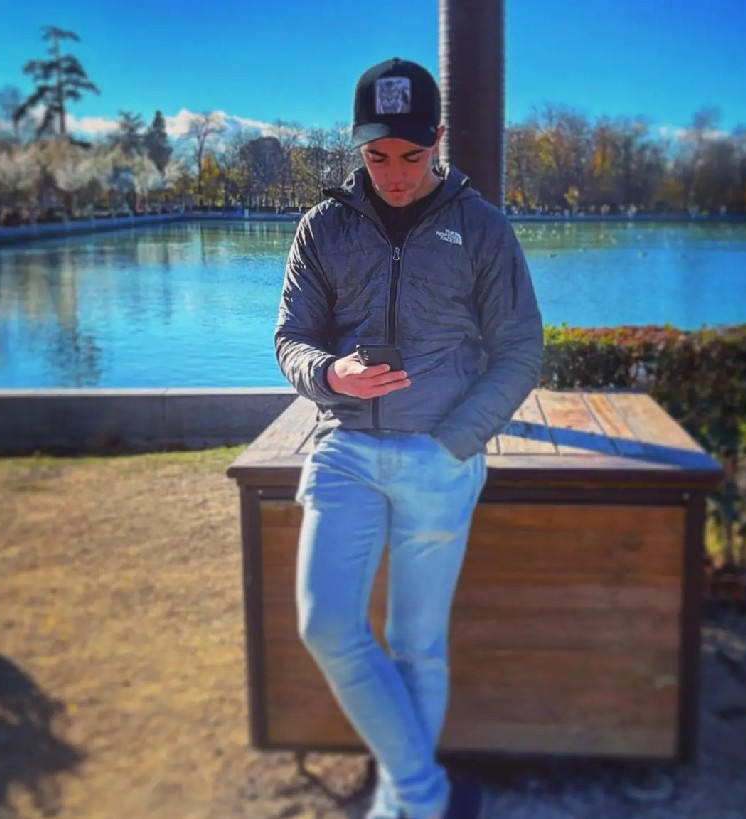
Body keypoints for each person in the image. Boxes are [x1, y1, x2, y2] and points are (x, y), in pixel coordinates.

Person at [275, 57, 543, 819]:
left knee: (417, 643)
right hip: (345, 453)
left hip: (438, 459)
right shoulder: (322, 226)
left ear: (438, 139)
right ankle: (424, 797)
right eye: (376, 155)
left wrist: (453, 441)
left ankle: (407, 807)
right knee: (325, 624)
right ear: (356, 144)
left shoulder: (481, 227)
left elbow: (519, 348)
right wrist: (330, 374)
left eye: (411, 155)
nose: (394, 174)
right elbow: (291, 338)